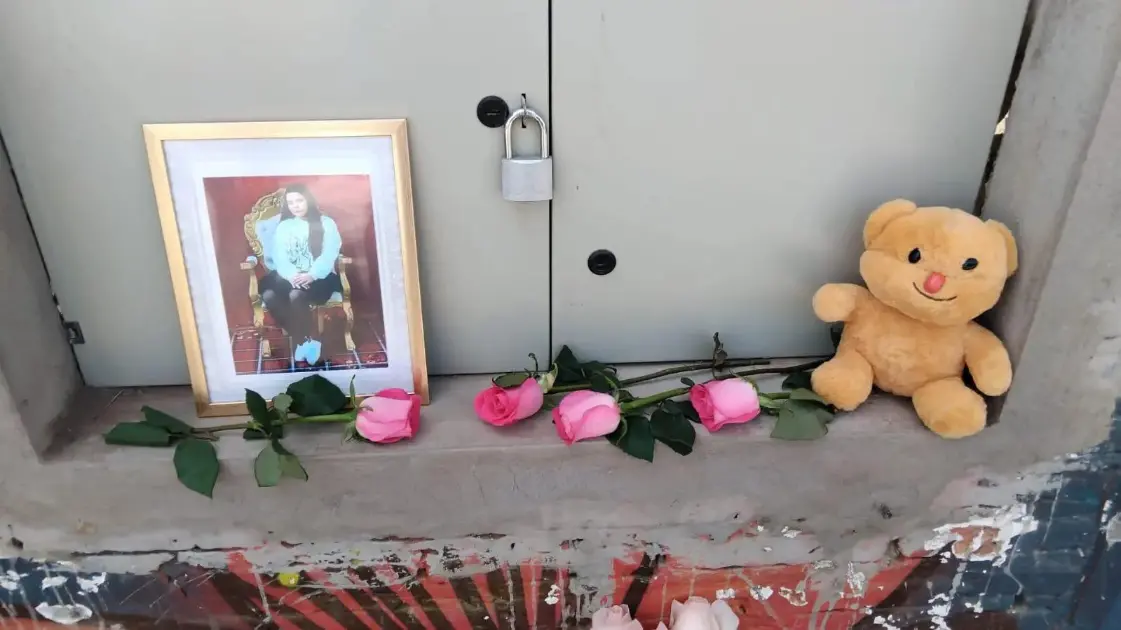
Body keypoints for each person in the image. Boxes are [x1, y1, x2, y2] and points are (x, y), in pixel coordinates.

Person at [259, 184, 343, 366]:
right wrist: (291, 275)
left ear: (308, 200)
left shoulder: (326, 223)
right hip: (290, 276)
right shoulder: (284, 226)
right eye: (290, 202)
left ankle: (303, 341)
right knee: (269, 295)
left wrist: (312, 275)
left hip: (319, 277)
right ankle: (306, 341)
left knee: (296, 294)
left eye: (299, 200)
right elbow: (279, 256)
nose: (295, 206)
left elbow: (330, 253)